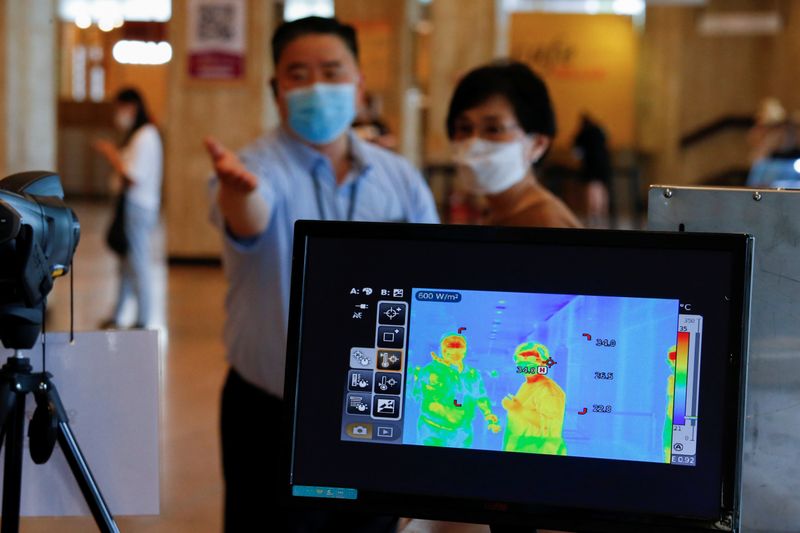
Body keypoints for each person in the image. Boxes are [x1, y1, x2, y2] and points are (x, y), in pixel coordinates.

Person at [204, 16, 439, 533]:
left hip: (379, 407)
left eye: (332, 72)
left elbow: (433, 282)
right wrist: (238, 195)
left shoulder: (400, 179)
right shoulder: (252, 170)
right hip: (271, 415)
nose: (317, 87)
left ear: (358, 84)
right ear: (276, 89)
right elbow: (249, 217)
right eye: (298, 74)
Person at [446, 61, 581, 229]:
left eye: (493, 129)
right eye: (464, 128)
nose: (474, 142)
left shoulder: (545, 223)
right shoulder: (499, 212)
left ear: (537, 144)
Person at [93, 88, 163, 329]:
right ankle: (119, 313)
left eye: (120, 108)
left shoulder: (145, 136)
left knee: (139, 263)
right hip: (132, 206)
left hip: (138, 207)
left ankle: (144, 318)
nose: (118, 114)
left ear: (131, 107)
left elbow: (132, 176)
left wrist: (112, 154)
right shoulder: (140, 135)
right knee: (124, 264)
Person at [409, 332, 501, 447]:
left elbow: (481, 397)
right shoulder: (429, 371)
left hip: (462, 433)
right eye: (450, 347)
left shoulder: (473, 375)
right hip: (431, 430)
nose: (454, 352)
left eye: (459, 347)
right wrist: (444, 371)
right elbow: (417, 396)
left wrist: (489, 415)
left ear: (465, 350)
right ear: (442, 349)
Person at [501, 342, 566, 456]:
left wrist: (518, 409)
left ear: (542, 363)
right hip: (520, 446)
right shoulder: (527, 385)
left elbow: (550, 424)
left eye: (531, 360)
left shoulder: (548, 389)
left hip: (539, 449)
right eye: (521, 361)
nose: (526, 365)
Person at [572, 112, 612, 221]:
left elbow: (576, 152)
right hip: (604, 162)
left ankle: (592, 214)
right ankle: (602, 214)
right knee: (602, 187)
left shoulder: (582, 133)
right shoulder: (600, 129)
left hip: (590, 163)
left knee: (592, 187)